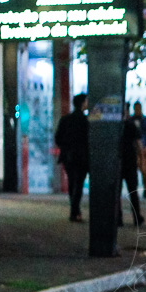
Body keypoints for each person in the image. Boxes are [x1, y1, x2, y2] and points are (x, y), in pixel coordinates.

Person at [55, 94, 89, 223]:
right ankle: (75, 211)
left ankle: (75, 210)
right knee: (79, 184)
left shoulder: (65, 120)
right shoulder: (86, 121)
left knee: (71, 182)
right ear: (82, 103)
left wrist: (65, 147)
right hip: (82, 157)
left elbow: (58, 138)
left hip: (68, 156)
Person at [118, 103, 144, 227]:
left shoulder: (115, 126)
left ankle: (118, 218)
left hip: (117, 163)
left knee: (116, 192)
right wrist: (141, 158)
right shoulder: (131, 124)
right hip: (130, 162)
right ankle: (137, 217)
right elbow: (138, 143)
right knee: (133, 191)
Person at [132, 101, 146, 199]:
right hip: (135, 148)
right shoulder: (132, 120)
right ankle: (137, 189)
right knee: (137, 168)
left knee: (143, 169)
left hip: (143, 147)